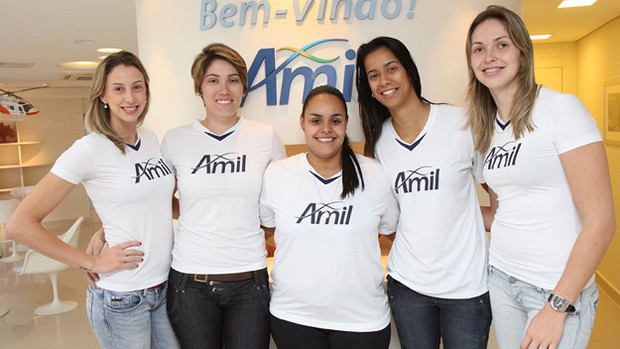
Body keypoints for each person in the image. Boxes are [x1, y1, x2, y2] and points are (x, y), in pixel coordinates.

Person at [465, 5, 616, 349]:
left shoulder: (561, 109)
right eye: (478, 48)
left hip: (554, 290)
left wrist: (558, 305)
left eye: (501, 44)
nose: (489, 56)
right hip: (502, 279)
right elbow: (503, 211)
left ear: (522, 50)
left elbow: (602, 221)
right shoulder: (488, 131)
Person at [6, 51, 180, 349]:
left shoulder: (151, 138)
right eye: (119, 88)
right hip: (122, 297)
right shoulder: (88, 149)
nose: (130, 97)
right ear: (103, 95)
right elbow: (19, 225)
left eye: (137, 87)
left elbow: (154, 202)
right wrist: (89, 261)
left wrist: (103, 230)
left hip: (163, 287)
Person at [355, 36, 492, 349]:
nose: (384, 81)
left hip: (467, 289)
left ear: (409, 71)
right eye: (373, 76)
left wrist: (463, 220)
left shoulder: (462, 123)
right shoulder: (378, 145)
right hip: (408, 288)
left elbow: (500, 203)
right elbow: (390, 222)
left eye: (391, 69)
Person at [162, 43, 286, 349]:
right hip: (190, 283)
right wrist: (103, 230)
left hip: (249, 281)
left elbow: (283, 202)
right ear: (199, 88)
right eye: (213, 80)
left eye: (233, 79)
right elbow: (154, 197)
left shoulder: (265, 137)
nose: (224, 89)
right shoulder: (176, 140)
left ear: (243, 86)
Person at [259, 85, 399, 349]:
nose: (326, 129)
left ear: (346, 124)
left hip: (362, 320)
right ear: (302, 122)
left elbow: (390, 230)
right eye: (315, 120)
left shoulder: (375, 174)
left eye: (335, 120)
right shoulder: (277, 175)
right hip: (294, 316)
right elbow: (268, 229)